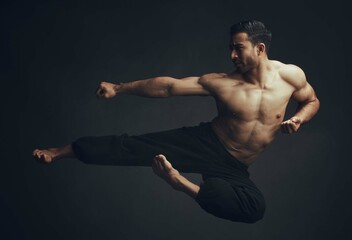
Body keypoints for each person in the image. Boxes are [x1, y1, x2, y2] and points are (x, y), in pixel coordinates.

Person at [33, 20, 320, 223]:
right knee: (131, 147)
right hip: (206, 144)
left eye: (238, 48)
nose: (232, 55)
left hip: (235, 167)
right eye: (230, 48)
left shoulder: (291, 76)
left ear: (259, 49)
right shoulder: (222, 84)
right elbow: (168, 87)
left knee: (253, 209)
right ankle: (60, 151)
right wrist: (119, 88)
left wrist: (298, 119)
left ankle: (178, 182)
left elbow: (311, 101)